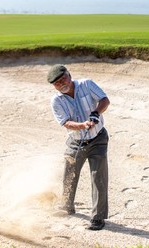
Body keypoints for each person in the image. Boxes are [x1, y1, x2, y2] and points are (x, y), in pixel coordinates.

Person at [47, 64, 110, 230]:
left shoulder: (87, 84)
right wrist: (83, 125)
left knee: (99, 178)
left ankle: (98, 218)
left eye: (63, 79)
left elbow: (104, 100)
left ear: (69, 75)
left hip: (98, 139)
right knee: (69, 174)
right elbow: (66, 123)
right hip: (75, 142)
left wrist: (96, 113)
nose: (62, 83)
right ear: (54, 86)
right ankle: (67, 206)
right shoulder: (56, 101)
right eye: (57, 83)